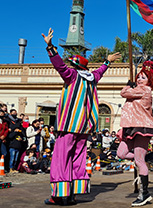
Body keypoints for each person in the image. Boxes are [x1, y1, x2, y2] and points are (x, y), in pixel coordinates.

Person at [42, 28, 120, 205]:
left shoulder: (72, 75)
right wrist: (107, 62)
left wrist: (50, 47)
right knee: (78, 159)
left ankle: (60, 197)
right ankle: (73, 195)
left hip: (68, 125)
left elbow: (59, 65)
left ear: (75, 66)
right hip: (84, 127)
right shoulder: (92, 78)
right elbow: (100, 71)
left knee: (61, 159)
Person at [116, 67, 153, 206]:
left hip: (142, 127)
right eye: (138, 77)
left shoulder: (144, 90)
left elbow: (123, 93)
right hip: (130, 127)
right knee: (121, 153)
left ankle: (145, 194)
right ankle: (148, 157)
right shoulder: (136, 90)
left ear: (149, 81)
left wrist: (128, 85)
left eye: (143, 77)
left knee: (139, 162)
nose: (139, 79)